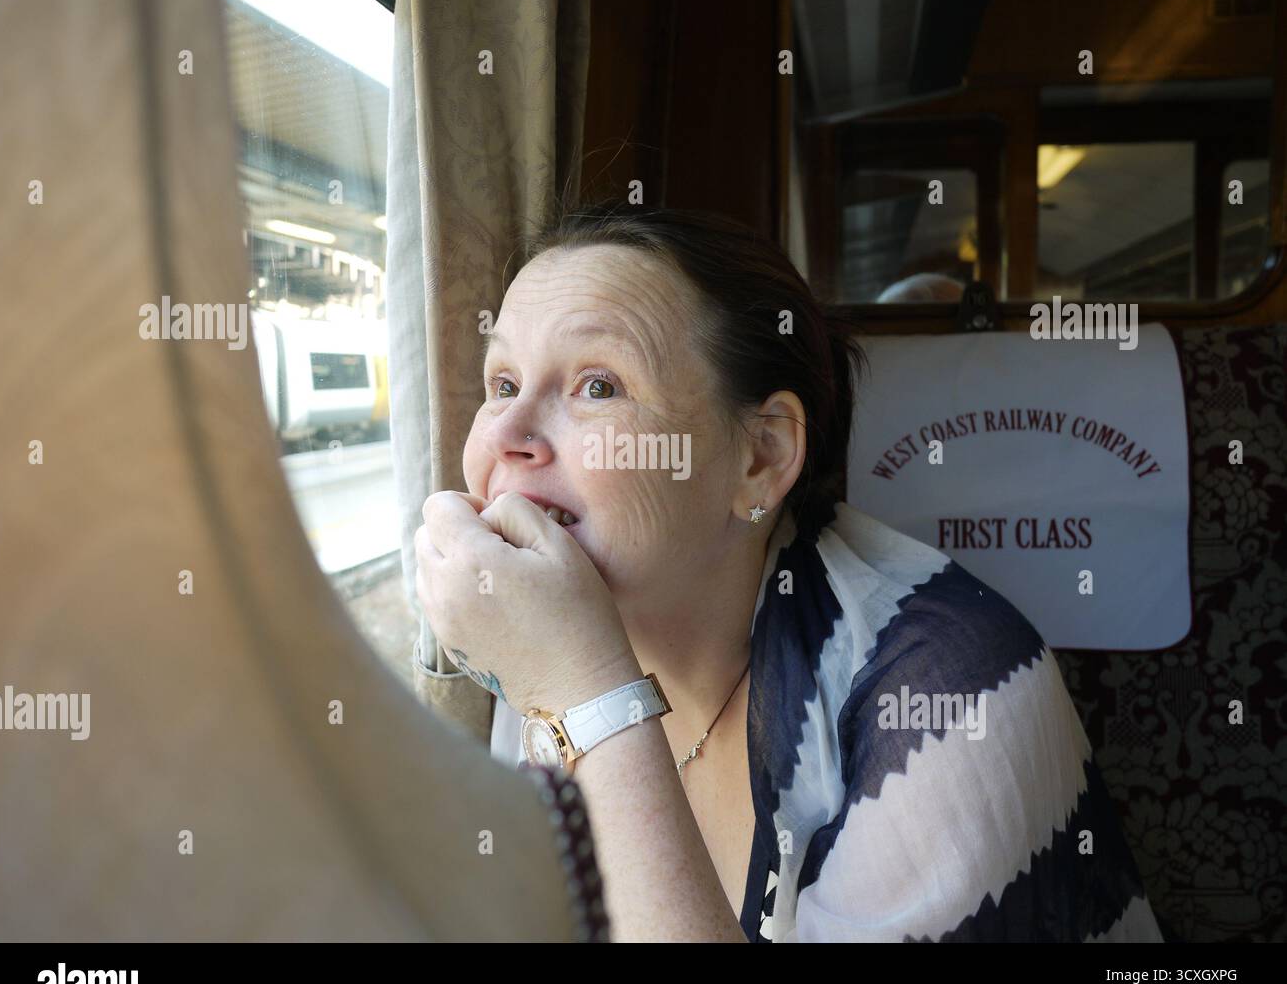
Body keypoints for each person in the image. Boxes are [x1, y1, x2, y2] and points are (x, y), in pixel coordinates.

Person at [413, 200, 1164, 943]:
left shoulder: (951, 696)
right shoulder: (540, 615)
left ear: (761, 458)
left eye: (598, 387)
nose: (506, 433)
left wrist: (586, 695)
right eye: (503, 384)